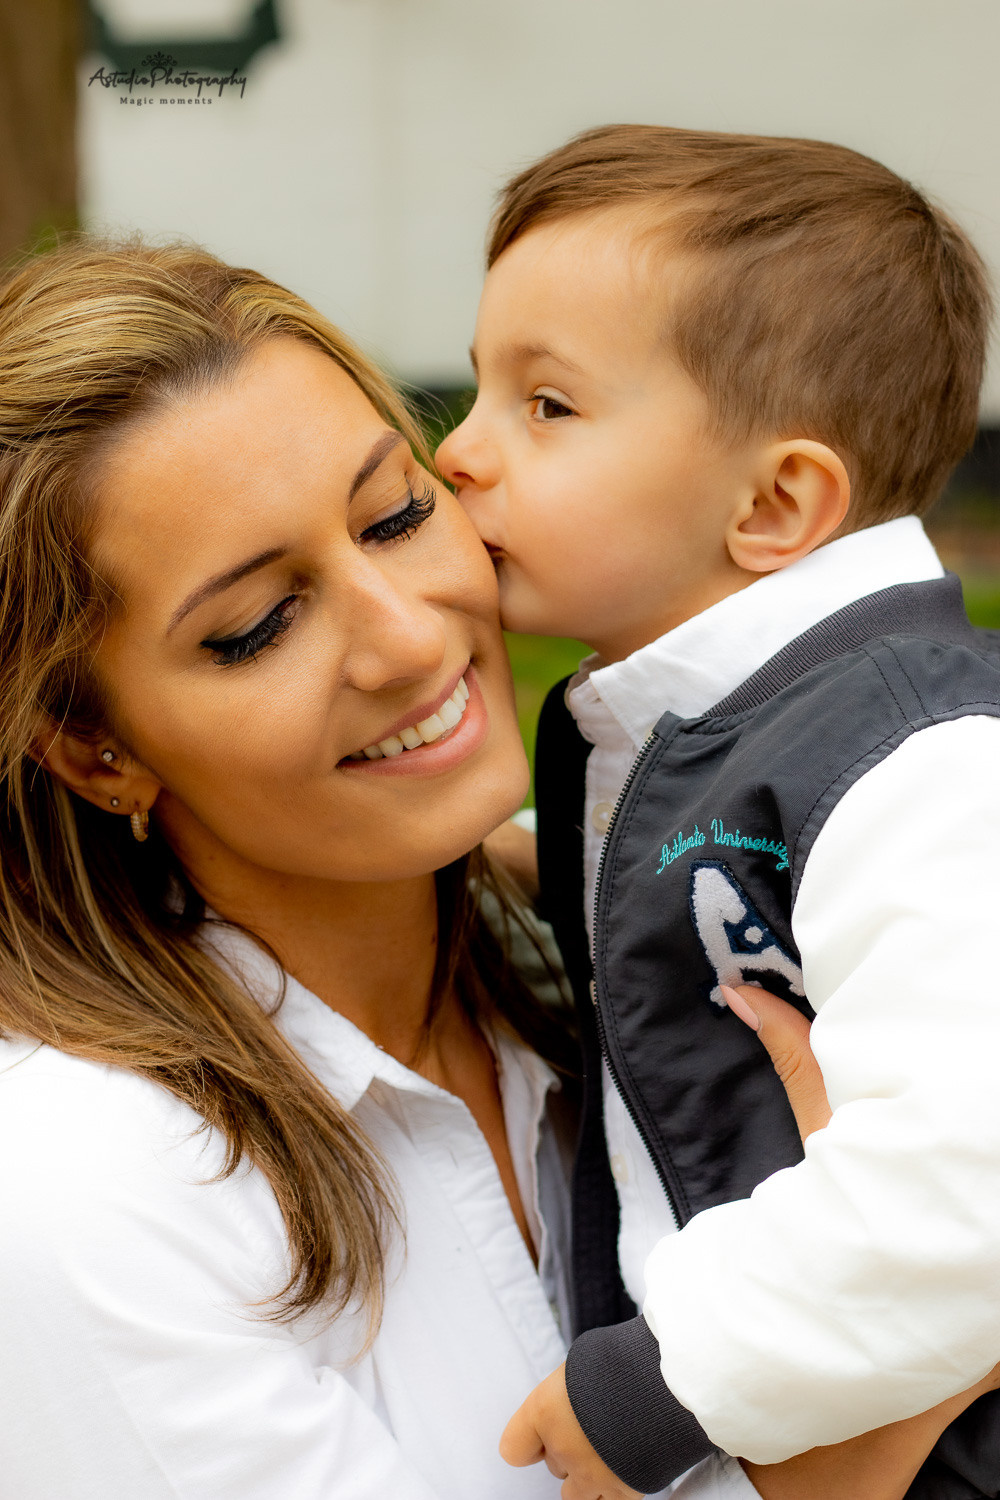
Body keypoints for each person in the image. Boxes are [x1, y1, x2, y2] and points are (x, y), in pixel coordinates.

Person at [0, 236, 986, 1500]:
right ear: (94, 751)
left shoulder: (621, 947)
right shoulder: (85, 1194)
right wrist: (857, 1443)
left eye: (397, 514)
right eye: (256, 627)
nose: (410, 639)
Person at [436, 124, 1000, 1498]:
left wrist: (673, 1371)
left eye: (546, 407)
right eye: (476, 391)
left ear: (776, 501)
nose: (460, 453)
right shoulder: (733, 730)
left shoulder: (920, 762)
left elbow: (972, 1160)